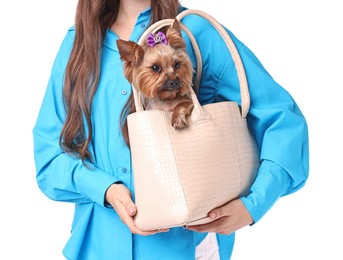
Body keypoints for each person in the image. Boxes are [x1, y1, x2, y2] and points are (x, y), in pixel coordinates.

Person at [32, 0, 309, 259]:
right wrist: (106, 190)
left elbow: (283, 121)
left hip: (187, 246)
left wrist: (253, 204)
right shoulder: (77, 45)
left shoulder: (198, 32)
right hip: (98, 247)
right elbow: (50, 156)